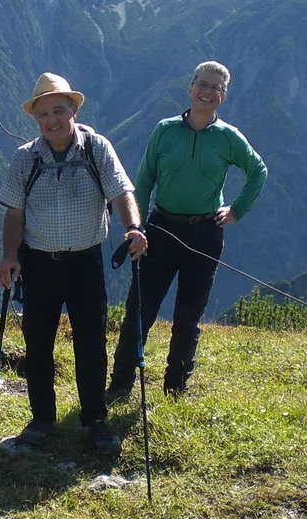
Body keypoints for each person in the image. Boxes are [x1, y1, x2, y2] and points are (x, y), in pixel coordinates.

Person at [0, 72, 147, 455]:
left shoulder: (96, 148)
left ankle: (95, 419)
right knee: (38, 343)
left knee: (92, 343)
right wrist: (11, 255)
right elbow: (14, 213)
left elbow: (121, 191)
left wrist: (133, 228)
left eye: (58, 110)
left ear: (74, 110)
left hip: (84, 262)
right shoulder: (25, 157)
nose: (51, 120)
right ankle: (42, 419)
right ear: (36, 118)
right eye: (43, 113)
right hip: (39, 264)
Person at [106, 61, 267, 403]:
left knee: (188, 315)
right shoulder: (164, 130)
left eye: (215, 88)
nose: (207, 92)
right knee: (140, 309)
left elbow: (258, 171)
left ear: (222, 96)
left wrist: (237, 209)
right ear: (190, 87)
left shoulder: (228, 138)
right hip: (160, 230)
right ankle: (120, 385)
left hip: (206, 233)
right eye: (202, 84)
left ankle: (175, 388)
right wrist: (137, 228)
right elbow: (145, 180)